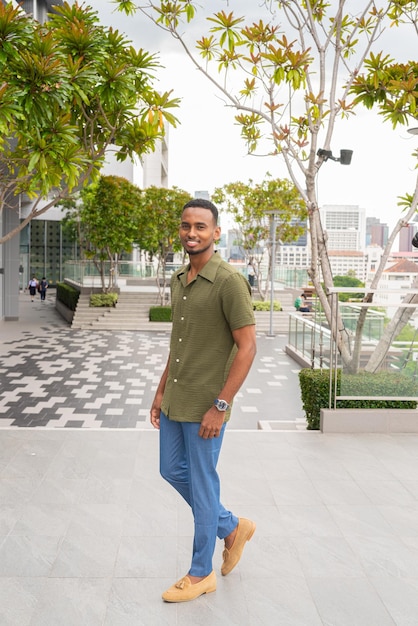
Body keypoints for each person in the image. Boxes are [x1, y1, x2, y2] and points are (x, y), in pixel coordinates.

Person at [150, 198, 257, 603]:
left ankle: (200, 573)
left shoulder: (229, 281)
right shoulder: (180, 278)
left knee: (202, 481)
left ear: (215, 232)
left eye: (200, 226)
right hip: (178, 396)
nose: (191, 233)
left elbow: (247, 348)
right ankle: (231, 527)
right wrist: (161, 391)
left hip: (208, 406)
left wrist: (222, 405)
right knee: (170, 470)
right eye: (185, 226)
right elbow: (179, 345)